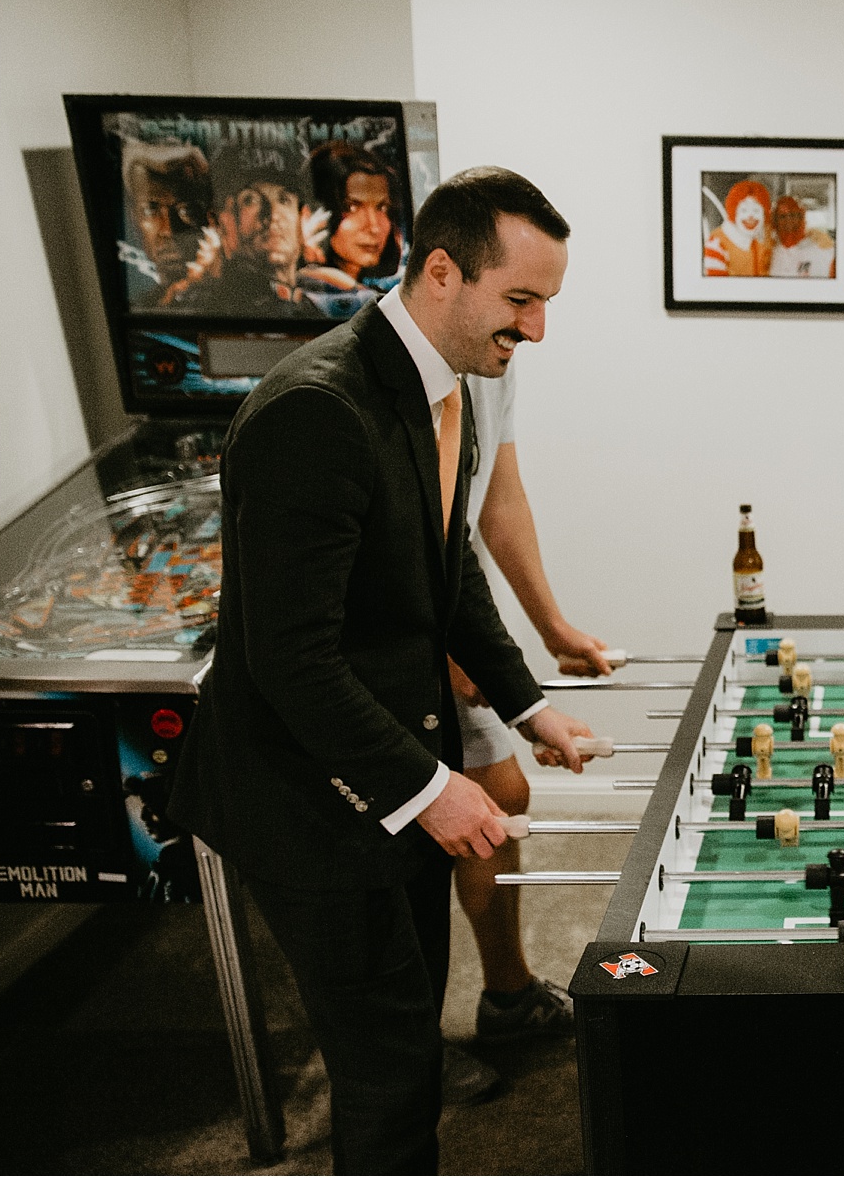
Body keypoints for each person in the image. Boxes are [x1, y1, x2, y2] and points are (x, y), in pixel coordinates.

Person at [170, 166, 596, 1174]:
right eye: (521, 299)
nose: (537, 330)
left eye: (545, 303)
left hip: (390, 778)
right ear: (442, 272)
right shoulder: (317, 409)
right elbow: (289, 659)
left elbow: (446, 571)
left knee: (408, 1030)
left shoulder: (442, 385)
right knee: (389, 1072)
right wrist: (429, 786)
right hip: (306, 799)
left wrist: (529, 704)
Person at [450, 357, 614, 1041]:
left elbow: (497, 502)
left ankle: (508, 997)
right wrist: (451, 651)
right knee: (426, 819)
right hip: (387, 635)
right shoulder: (403, 373)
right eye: (520, 306)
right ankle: (401, 1054)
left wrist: (551, 626)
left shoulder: (492, 363)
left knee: (498, 797)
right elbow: (407, 543)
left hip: (455, 609)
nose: (533, 329)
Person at [180, 139, 325, 317]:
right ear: (219, 220)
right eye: (250, 200)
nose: (272, 215)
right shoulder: (199, 309)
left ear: (303, 217)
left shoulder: (314, 312)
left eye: (284, 199)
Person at [299, 141, 406, 315]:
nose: (374, 227)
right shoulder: (300, 294)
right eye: (352, 207)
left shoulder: (382, 295)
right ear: (308, 215)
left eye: (382, 207)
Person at [118, 139, 213, 311]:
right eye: (151, 210)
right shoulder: (140, 307)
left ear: (209, 217)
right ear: (134, 220)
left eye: (186, 210)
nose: (168, 230)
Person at [702, 178, 773, 276]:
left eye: (756, 210)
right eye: (744, 210)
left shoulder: (758, 245)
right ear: (734, 213)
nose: (750, 216)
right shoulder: (715, 245)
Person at [766, 194, 835, 278]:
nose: (788, 220)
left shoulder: (821, 247)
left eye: (793, 215)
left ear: (801, 217)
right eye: (782, 216)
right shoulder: (770, 250)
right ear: (775, 221)